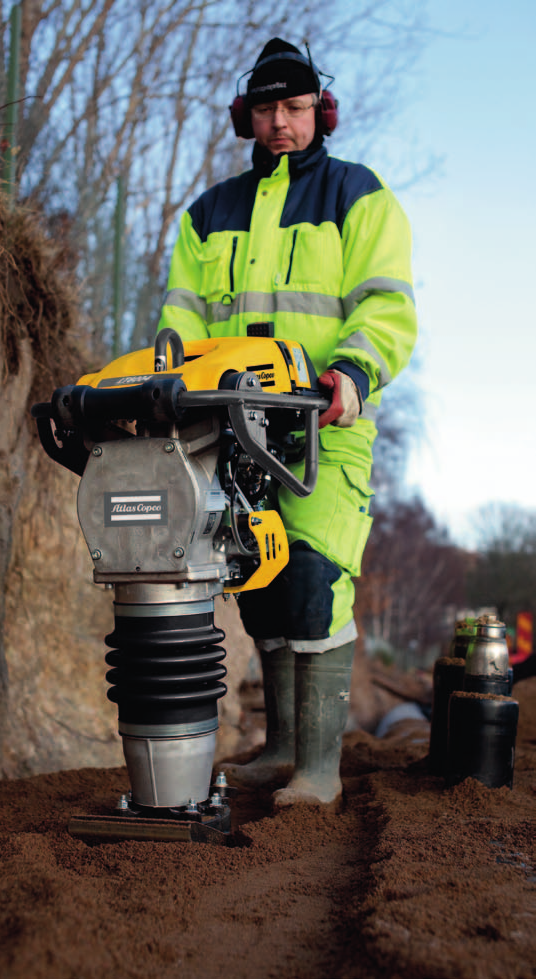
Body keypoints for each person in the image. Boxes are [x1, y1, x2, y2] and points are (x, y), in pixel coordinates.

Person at [157, 37, 417, 806]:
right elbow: (179, 317)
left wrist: (353, 373)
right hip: (231, 429)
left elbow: (387, 306)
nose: (281, 122)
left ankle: (318, 766)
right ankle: (277, 747)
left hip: (322, 424)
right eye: (267, 107)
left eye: (295, 107)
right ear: (248, 116)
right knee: (259, 580)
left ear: (319, 112)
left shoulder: (356, 195)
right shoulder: (208, 214)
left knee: (312, 579)